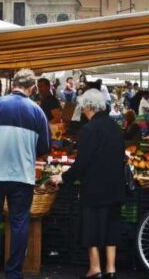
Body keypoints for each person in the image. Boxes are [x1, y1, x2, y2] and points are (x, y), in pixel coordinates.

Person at [0, 69, 51, 279]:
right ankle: (14, 273)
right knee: (19, 223)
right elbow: (44, 147)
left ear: (12, 84)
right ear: (33, 88)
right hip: (22, 176)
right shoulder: (38, 112)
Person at [51, 89, 125, 279]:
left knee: (91, 226)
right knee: (111, 226)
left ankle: (95, 268)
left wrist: (64, 178)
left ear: (90, 107)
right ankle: (111, 269)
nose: (83, 111)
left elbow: (82, 162)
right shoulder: (115, 127)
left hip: (95, 187)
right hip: (116, 186)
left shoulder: (89, 129)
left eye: (84, 107)